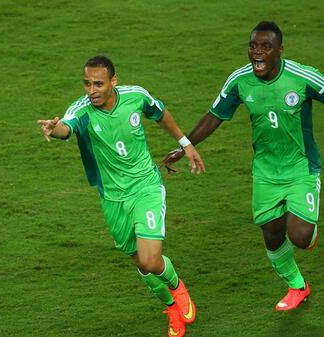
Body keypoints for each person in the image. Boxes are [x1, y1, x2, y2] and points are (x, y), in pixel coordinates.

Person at [162, 21, 324, 311]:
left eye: (266, 47)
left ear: (280, 50)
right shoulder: (240, 81)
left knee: (301, 237)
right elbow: (214, 115)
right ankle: (297, 285)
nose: (257, 53)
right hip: (265, 171)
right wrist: (185, 146)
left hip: (300, 167)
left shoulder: (301, 77)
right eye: (253, 46)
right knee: (271, 233)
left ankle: (307, 230)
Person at [38, 55, 203, 337]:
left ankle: (177, 287)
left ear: (113, 81)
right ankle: (170, 308)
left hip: (145, 187)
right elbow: (67, 126)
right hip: (112, 197)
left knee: (151, 260)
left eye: (98, 84)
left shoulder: (136, 96)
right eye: (87, 84)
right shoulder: (82, 110)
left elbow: (160, 113)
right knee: (140, 263)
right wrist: (56, 129)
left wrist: (185, 143)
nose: (91, 90)